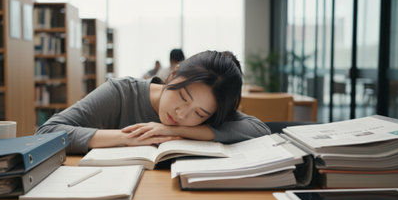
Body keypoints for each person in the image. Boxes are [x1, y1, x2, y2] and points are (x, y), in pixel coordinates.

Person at [35, 50, 271, 154]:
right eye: (182, 96)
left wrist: (171, 129)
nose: (181, 114)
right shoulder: (121, 92)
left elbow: (260, 129)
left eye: (199, 114)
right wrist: (129, 138)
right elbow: (46, 133)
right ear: (174, 74)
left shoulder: (211, 108)